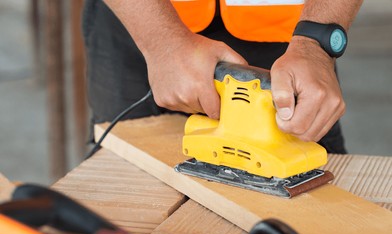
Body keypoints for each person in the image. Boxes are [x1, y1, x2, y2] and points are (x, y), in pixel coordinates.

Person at [82, 0, 363, 154]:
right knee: (124, 195)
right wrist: (160, 40)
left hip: (290, 37)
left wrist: (316, 41)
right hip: (139, 21)